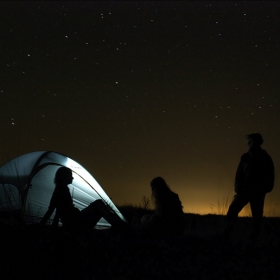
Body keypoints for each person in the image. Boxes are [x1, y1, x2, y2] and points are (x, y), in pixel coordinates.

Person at [40, 167, 125, 230]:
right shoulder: (60, 191)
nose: (72, 178)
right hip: (77, 223)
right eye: (70, 176)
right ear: (64, 177)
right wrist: (46, 224)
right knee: (99, 203)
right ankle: (120, 226)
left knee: (98, 203)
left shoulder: (62, 190)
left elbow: (53, 209)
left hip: (77, 218)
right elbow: (55, 210)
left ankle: (119, 225)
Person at [224, 133, 274, 236]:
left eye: (250, 141)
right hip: (244, 191)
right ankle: (227, 232)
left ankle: (255, 237)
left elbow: (270, 175)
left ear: (256, 142)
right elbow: (239, 173)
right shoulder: (246, 157)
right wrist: (238, 187)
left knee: (257, 216)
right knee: (233, 210)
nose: (248, 143)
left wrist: (265, 189)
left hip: (257, 192)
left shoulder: (265, 158)